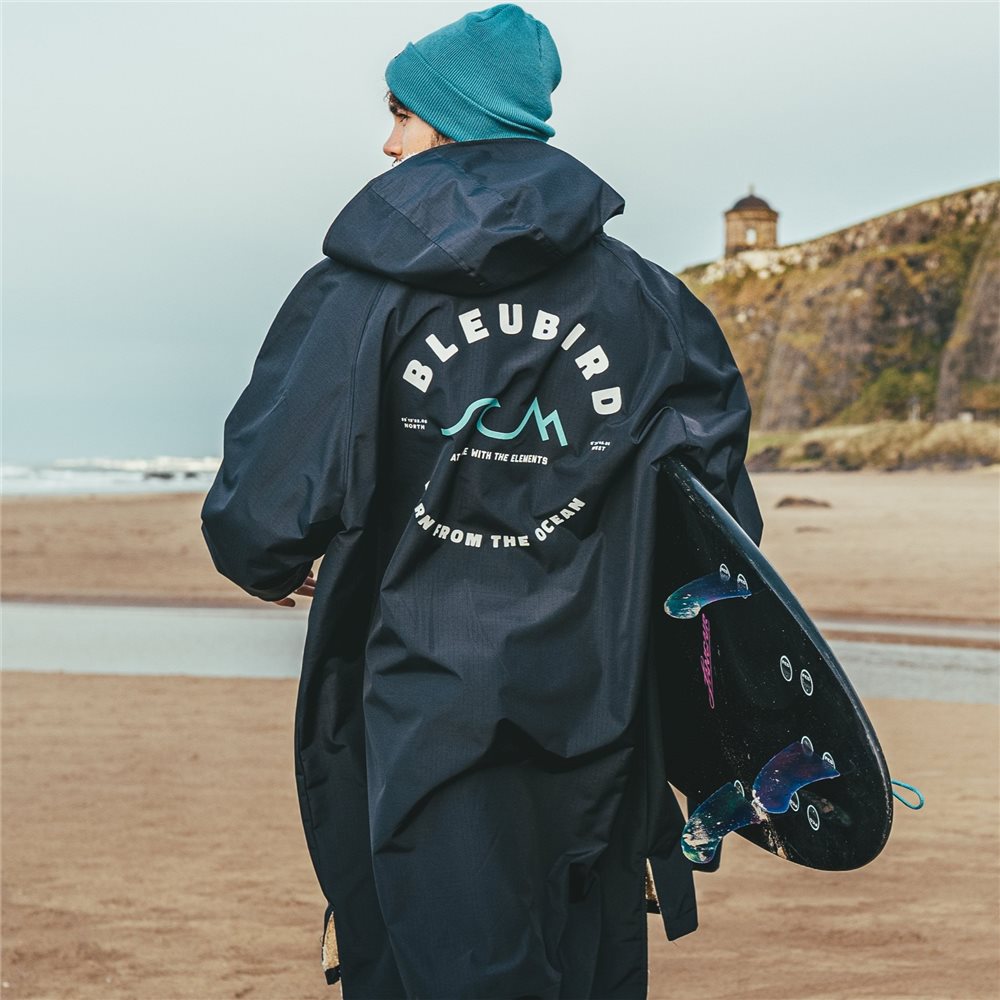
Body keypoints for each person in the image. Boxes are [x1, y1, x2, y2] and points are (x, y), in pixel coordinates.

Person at [201, 4, 763, 997]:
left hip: (420, 717)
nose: (388, 143)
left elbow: (260, 518)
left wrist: (287, 562)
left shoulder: (355, 295)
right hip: (603, 718)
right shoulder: (652, 305)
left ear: (456, 117)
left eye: (401, 113)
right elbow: (720, 533)